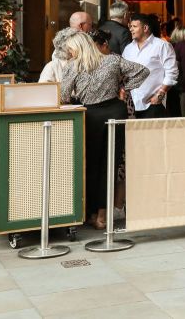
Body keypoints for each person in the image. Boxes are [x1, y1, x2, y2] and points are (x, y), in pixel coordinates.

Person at [59, 31, 148, 229]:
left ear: (78, 47)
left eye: (70, 49)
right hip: (115, 111)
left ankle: (91, 214)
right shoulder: (113, 60)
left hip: (91, 116)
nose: (69, 53)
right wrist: (124, 88)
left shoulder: (74, 65)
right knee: (111, 164)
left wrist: (74, 96)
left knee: (91, 164)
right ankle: (102, 215)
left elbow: (63, 95)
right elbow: (143, 71)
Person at [122, 13, 178, 119]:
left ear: (145, 28)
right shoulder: (128, 49)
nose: (131, 29)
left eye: (134, 26)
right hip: (131, 106)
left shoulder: (162, 46)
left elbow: (172, 73)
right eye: (130, 26)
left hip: (154, 104)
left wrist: (160, 94)